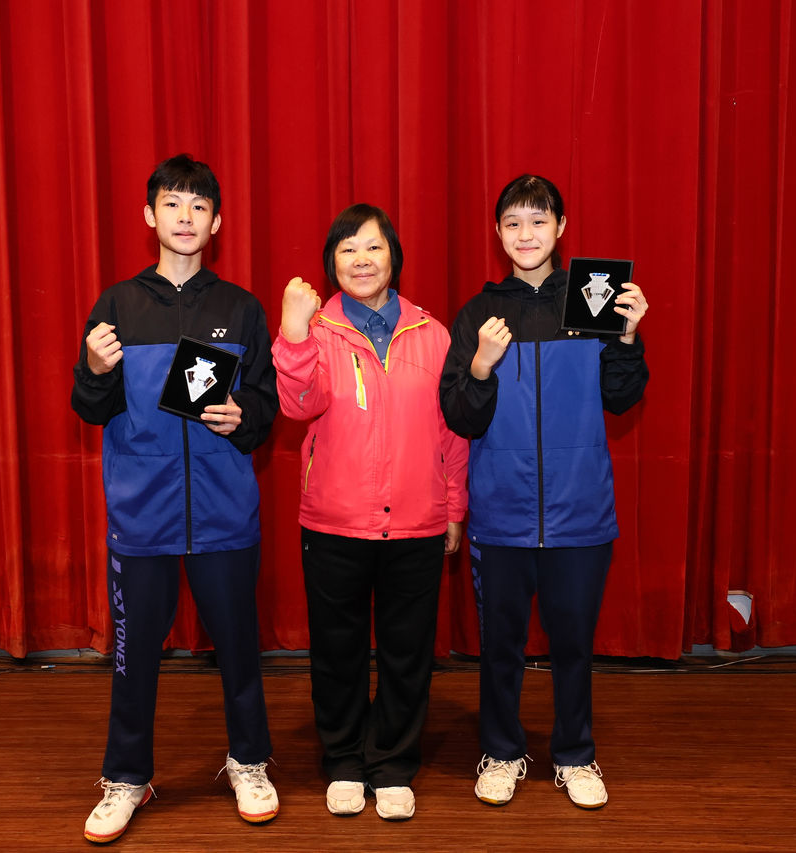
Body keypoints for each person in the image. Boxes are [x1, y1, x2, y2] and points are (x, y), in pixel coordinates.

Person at [71, 154, 280, 843]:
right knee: (133, 657)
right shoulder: (117, 304)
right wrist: (94, 369)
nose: (185, 217)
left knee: (240, 651)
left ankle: (250, 762)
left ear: (216, 222)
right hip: (143, 517)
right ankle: (127, 776)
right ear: (149, 215)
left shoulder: (240, 307)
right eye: (172, 204)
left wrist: (241, 416)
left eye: (198, 206)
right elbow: (89, 407)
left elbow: (266, 406)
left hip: (225, 513)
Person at [439, 174, 649, 811]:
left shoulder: (594, 300)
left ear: (560, 228)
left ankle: (576, 755)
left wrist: (628, 337)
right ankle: (502, 751)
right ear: (498, 233)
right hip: (500, 513)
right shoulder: (479, 312)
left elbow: (622, 397)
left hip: (580, 511)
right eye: (513, 222)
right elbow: (460, 416)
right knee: (499, 647)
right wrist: (481, 365)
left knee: (573, 646)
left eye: (538, 220)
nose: (525, 234)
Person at [272, 204, 468, 820]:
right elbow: (297, 405)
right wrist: (294, 334)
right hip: (334, 521)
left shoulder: (432, 333)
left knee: (409, 653)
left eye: (374, 247)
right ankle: (344, 761)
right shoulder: (317, 329)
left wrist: (454, 504)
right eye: (347, 249)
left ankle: (393, 763)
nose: (361, 260)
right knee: (339, 652)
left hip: (417, 520)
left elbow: (452, 431)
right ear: (332, 262)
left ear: (394, 257)